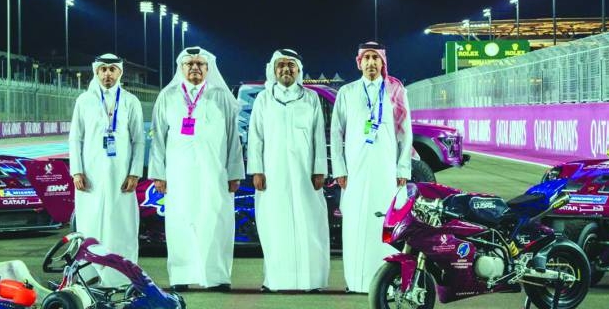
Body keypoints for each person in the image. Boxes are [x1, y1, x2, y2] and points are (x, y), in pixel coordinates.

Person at [148, 46, 244, 291]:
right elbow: (158, 137)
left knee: (216, 221)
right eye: (189, 64)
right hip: (179, 174)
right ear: (181, 68)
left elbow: (234, 138)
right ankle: (182, 275)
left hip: (215, 172)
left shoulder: (221, 96)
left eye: (200, 64)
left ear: (208, 68)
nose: (194, 68)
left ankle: (217, 277)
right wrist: (158, 173)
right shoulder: (167, 96)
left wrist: (235, 172)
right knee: (180, 220)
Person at [330, 41, 412, 293]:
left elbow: (405, 132)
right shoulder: (347, 92)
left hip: (385, 170)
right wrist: (340, 169)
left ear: (382, 62)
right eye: (366, 58)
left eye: (375, 58)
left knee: (384, 224)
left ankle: (384, 282)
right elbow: (336, 132)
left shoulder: (395, 91)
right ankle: (354, 282)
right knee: (354, 224)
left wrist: (402, 169)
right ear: (359, 62)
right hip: (354, 171)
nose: (371, 63)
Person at [248, 49, 329, 292]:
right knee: (275, 224)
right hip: (273, 174)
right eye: (281, 65)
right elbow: (256, 138)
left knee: (309, 224)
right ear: (273, 70)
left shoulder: (311, 98)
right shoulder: (263, 99)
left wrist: (319, 170)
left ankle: (311, 281)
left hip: (305, 174)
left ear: (298, 70)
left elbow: (318, 136)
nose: (286, 69)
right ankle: (275, 281)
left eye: (290, 65)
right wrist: (257, 171)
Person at [69, 53, 145, 286]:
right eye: (103, 69)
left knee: (121, 225)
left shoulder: (131, 101)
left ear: (120, 73)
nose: (107, 74)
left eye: (112, 69)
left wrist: (134, 172)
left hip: (121, 176)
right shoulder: (84, 101)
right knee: (89, 225)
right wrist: (76, 171)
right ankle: (89, 277)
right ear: (96, 72)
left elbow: (138, 140)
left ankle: (123, 276)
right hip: (90, 177)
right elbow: (75, 139)